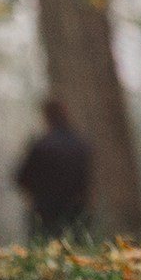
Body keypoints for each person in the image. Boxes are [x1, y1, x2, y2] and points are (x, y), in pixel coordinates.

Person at [15, 98, 93, 240]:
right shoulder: (81, 144)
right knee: (78, 244)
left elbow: (22, 178)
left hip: (46, 211)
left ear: (46, 117)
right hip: (76, 209)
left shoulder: (41, 146)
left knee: (46, 245)